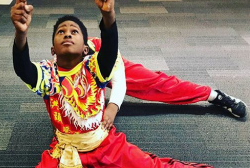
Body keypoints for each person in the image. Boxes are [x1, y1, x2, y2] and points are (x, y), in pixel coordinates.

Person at [11, 0, 246, 168]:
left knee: (157, 87)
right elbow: (23, 68)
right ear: (53, 48)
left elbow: (114, 60)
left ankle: (215, 163)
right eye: (61, 32)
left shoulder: (98, 58)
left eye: (73, 31)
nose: (68, 34)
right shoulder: (48, 73)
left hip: (102, 138)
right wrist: (21, 35)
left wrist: (113, 105)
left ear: (85, 47)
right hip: (67, 146)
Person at [87, 37, 248, 130]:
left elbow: (120, 82)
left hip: (97, 55)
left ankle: (214, 95)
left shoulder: (93, 47)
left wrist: (113, 105)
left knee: (157, 83)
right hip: (75, 77)